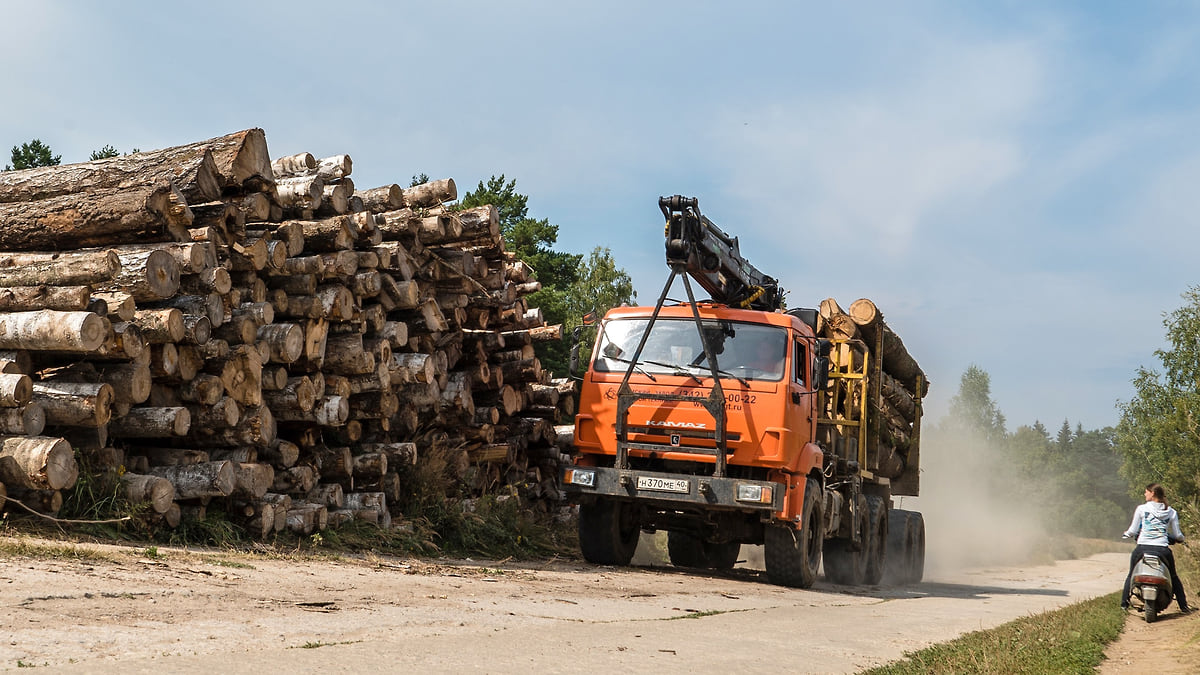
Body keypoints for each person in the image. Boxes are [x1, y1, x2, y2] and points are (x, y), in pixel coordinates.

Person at [1121, 483, 1190, 613]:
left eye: (1146, 492)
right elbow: (1177, 535)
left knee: (1131, 575)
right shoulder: (1171, 512)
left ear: (1152, 493)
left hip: (1142, 548)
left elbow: (1133, 530)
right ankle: (1184, 606)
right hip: (1162, 549)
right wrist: (1182, 539)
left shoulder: (1141, 509)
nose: (1144, 494)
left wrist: (1126, 534)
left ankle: (1124, 605)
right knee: (1173, 577)